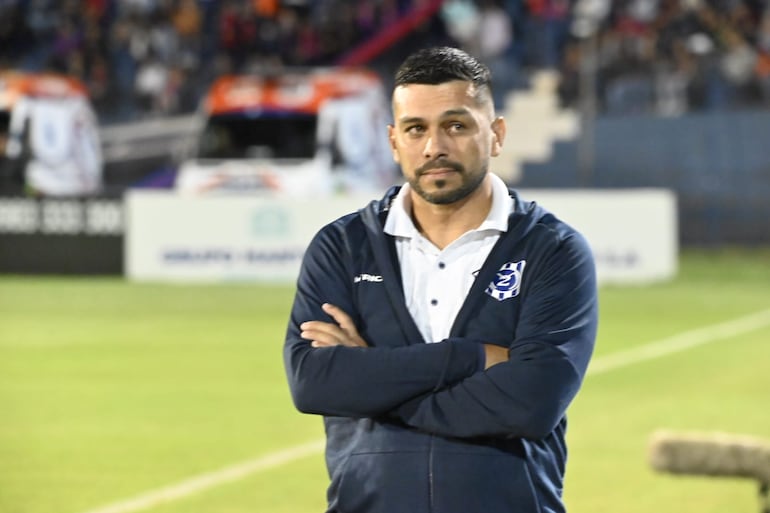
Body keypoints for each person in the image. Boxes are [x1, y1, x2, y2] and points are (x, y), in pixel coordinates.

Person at [283, 46, 598, 513]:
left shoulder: (551, 250)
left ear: (496, 134)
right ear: (393, 141)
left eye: (456, 125)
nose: (435, 147)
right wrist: (468, 358)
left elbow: (531, 402)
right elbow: (314, 384)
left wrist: (372, 378)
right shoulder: (342, 247)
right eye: (416, 129)